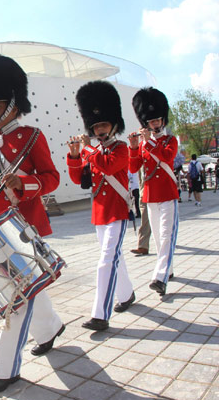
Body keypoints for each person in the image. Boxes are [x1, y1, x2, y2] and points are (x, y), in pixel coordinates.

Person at [0, 53, 65, 395]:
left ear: (13, 103)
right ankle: (50, 328)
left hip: (23, 227)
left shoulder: (32, 136)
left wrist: (25, 184)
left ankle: (4, 368)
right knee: (25, 289)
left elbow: (51, 178)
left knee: (15, 298)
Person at [67, 81, 135, 331]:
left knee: (106, 260)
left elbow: (107, 167)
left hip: (117, 211)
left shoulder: (122, 148)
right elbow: (80, 180)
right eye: (95, 126)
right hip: (99, 214)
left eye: (103, 124)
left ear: (114, 125)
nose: (99, 129)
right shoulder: (92, 151)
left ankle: (100, 315)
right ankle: (126, 295)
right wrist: (75, 156)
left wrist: (86, 149)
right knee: (114, 258)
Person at [129, 87, 179, 297]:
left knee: (167, 235)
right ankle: (169, 269)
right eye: (151, 122)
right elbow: (133, 167)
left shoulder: (170, 140)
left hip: (167, 194)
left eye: (158, 120)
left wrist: (148, 141)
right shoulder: (142, 145)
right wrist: (133, 147)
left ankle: (159, 277)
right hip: (150, 195)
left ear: (162, 121)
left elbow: (166, 158)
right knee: (159, 238)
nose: (155, 124)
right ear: (146, 123)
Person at [130, 169, 151, 256]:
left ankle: (168, 242)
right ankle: (143, 246)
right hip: (145, 194)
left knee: (164, 224)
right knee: (145, 219)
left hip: (160, 193)